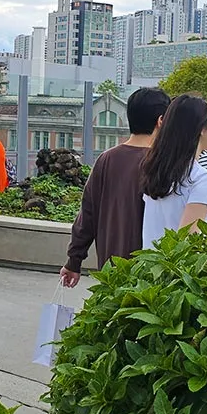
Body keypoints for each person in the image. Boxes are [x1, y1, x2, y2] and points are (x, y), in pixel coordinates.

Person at [60, 88, 170, 286]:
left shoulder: (107, 159)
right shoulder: (163, 163)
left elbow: (88, 214)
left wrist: (73, 261)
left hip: (111, 271)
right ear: (161, 120)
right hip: (155, 275)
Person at [141, 94, 207, 249]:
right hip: (177, 264)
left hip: (149, 261)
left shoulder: (156, 171)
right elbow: (188, 241)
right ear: (202, 129)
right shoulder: (202, 179)